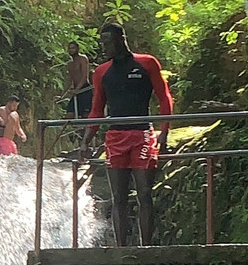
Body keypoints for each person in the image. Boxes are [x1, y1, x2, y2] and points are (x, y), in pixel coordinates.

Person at [80, 22, 173, 247]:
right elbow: (96, 109)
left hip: (142, 134)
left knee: (144, 193)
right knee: (119, 197)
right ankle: (121, 251)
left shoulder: (147, 63)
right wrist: (86, 140)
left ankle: (146, 248)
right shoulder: (101, 72)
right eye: (102, 43)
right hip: (115, 137)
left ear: (121, 39)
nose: (104, 48)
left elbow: (164, 97)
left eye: (108, 43)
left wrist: (164, 131)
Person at [64, 41, 93, 118]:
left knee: (85, 115)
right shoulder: (70, 64)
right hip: (76, 91)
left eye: (73, 48)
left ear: (77, 48)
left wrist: (77, 89)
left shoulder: (83, 58)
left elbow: (85, 76)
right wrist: (62, 95)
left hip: (85, 89)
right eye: (69, 48)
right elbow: (70, 80)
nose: (71, 50)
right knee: (69, 114)